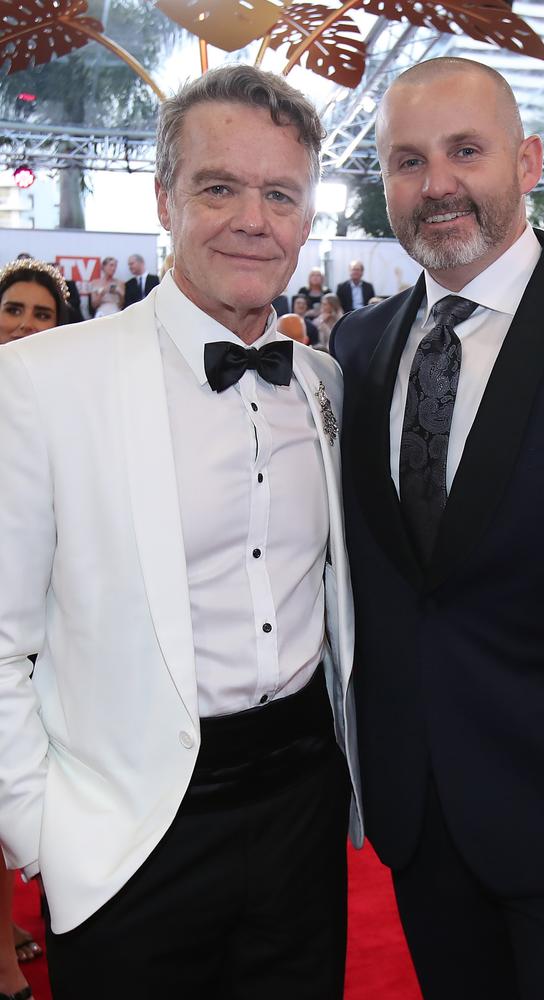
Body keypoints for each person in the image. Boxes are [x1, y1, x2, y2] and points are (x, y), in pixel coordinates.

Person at [0, 64, 362, 1000]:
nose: (253, 218)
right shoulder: (44, 382)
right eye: (219, 187)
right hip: (129, 833)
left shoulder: (321, 385)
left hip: (302, 810)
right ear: (164, 200)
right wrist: (42, 830)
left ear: (308, 218)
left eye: (280, 193)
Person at [330, 55, 544, 1000]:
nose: (437, 186)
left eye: (466, 151)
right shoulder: (358, 347)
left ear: (530, 160)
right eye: (406, 160)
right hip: (423, 830)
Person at [0, 257, 70, 1000]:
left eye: (41, 314)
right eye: (14, 308)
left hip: (33, 634)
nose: (24, 323)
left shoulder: (60, 406)